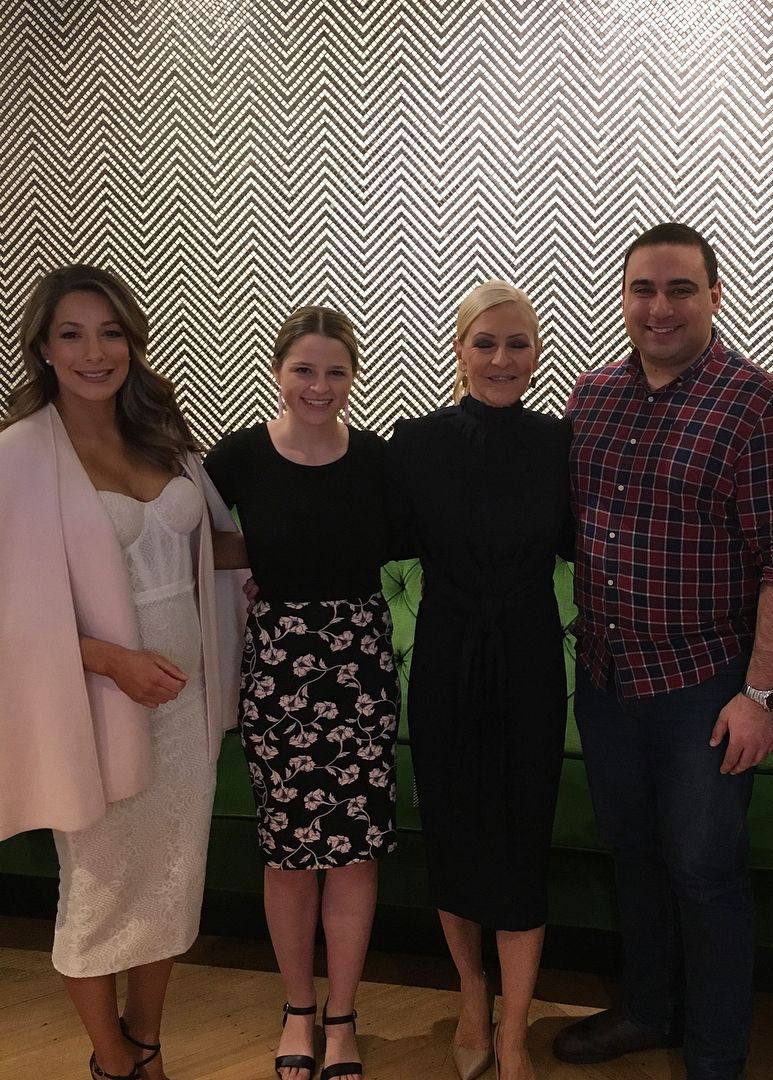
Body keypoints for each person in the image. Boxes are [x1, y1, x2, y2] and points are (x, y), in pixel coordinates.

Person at [555, 223, 773, 1080]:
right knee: (633, 856)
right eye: (643, 289)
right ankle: (649, 1010)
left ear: (714, 296)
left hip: (703, 691)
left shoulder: (761, 407)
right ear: (624, 297)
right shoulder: (592, 396)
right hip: (605, 681)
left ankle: (714, 1057)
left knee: (706, 874)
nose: (660, 307)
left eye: (680, 289)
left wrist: (764, 695)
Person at [0, 264, 246, 1080]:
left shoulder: (161, 436)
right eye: (71, 334)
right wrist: (110, 661)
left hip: (186, 704)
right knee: (100, 890)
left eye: (110, 332)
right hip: (95, 703)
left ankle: (147, 1044)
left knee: (173, 882)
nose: (94, 351)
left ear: (132, 343)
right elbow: (12, 610)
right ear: (43, 347)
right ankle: (111, 1064)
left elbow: (203, 548)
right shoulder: (19, 458)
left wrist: (311, 547)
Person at [204, 307, 397, 1080]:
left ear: (353, 377)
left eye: (335, 371)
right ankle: (297, 1010)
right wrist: (250, 562)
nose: (319, 385)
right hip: (279, 668)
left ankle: (343, 1018)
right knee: (287, 853)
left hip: (359, 666)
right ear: (279, 371)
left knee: (353, 854)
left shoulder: (377, 459)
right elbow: (184, 532)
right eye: (304, 370)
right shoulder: (241, 455)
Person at [386, 280, 571, 1080]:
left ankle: (515, 1029)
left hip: (529, 658)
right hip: (446, 656)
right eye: (485, 343)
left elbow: (599, 539)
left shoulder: (562, 442)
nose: (502, 359)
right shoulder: (414, 443)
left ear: (536, 354)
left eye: (517, 344)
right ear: (459, 350)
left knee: (523, 839)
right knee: (454, 835)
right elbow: (361, 530)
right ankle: (471, 995)